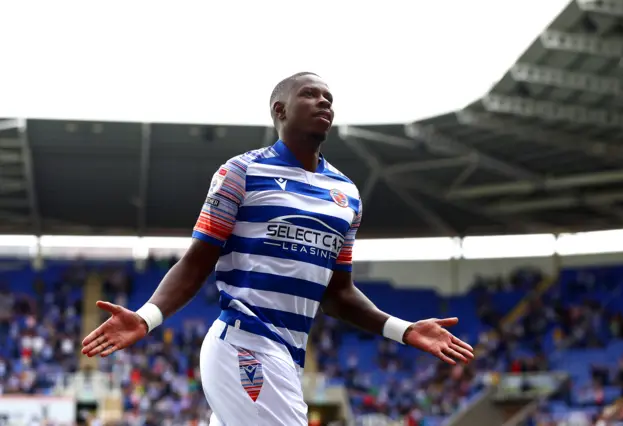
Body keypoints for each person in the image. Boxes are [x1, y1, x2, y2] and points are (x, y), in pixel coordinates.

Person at [81, 72, 474, 425]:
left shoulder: (346, 194)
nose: (324, 102)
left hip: (289, 354)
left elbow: (337, 293)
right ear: (280, 110)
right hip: (245, 342)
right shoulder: (241, 172)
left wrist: (404, 330)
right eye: (310, 94)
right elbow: (196, 262)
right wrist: (147, 318)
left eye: (329, 98)